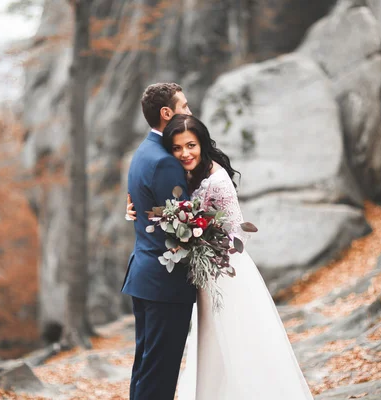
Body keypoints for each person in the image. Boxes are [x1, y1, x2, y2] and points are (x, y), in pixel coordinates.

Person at [126, 114, 315, 400]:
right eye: (177, 148)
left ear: (201, 144)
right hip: (203, 278)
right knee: (212, 346)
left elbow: (239, 232)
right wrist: (136, 212)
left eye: (190, 145)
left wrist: (201, 244)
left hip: (226, 272)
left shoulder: (218, 179)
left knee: (237, 343)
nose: (184, 153)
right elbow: (166, 211)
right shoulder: (181, 173)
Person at [122, 83, 194, 400]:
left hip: (146, 277)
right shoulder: (165, 161)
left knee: (147, 370)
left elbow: (151, 211)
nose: (190, 112)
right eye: (185, 107)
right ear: (167, 114)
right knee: (158, 378)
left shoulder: (144, 152)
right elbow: (180, 228)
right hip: (165, 283)